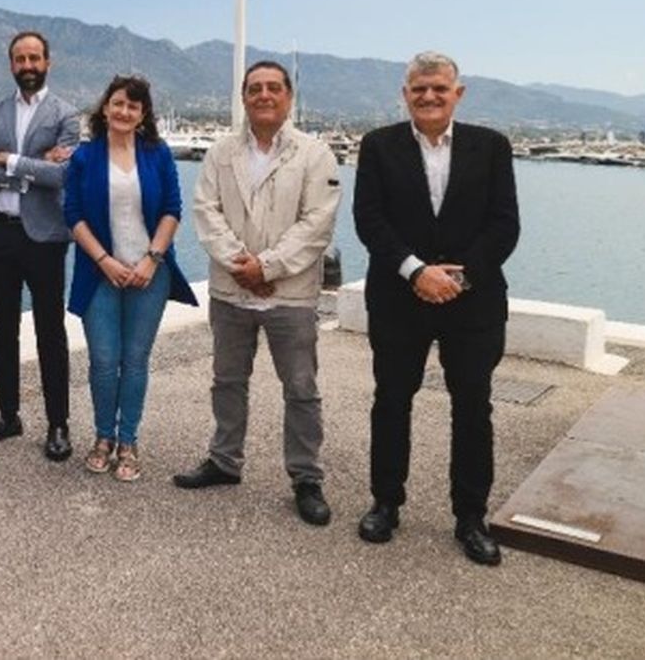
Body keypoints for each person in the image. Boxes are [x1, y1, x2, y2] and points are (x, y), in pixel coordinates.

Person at [353, 51, 519, 566]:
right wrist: (416, 271)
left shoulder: (491, 147)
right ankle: (386, 502)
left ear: (457, 94)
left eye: (438, 89)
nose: (428, 97)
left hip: (474, 303)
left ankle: (470, 516)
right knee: (392, 400)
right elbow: (369, 219)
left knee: (473, 407)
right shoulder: (378, 146)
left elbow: (504, 224)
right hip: (399, 298)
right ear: (405, 94)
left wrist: (458, 278)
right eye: (418, 89)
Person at [172, 61, 341, 526]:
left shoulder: (316, 154)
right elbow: (207, 212)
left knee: (301, 388)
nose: (263, 95)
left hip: (291, 295)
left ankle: (306, 478)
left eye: (273, 88)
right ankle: (225, 461)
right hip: (231, 292)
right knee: (227, 380)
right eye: (254, 89)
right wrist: (242, 267)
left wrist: (266, 267)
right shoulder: (220, 153)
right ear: (243, 98)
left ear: (289, 97)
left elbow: (316, 224)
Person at [64, 75, 197, 481]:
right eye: (118, 103)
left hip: (148, 274)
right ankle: (103, 437)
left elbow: (173, 209)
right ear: (105, 108)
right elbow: (74, 216)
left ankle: (128, 441)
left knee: (135, 360)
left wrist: (152, 259)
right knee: (104, 361)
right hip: (99, 272)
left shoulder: (157, 155)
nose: (124, 111)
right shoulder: (85, 157)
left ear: (142, 116)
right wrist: (104, 260)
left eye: (133, 107)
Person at [0, 31, 81, 461]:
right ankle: (9, 415)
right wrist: (33, 167)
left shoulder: (66, 115)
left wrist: (8, 161)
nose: (27, 65)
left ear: (48, 61)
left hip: (45, 237)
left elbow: (63, 176)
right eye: (19, 58)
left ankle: (58, 424)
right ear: (11, 63)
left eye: (34, 58)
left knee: (50, 332)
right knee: (1, 330)